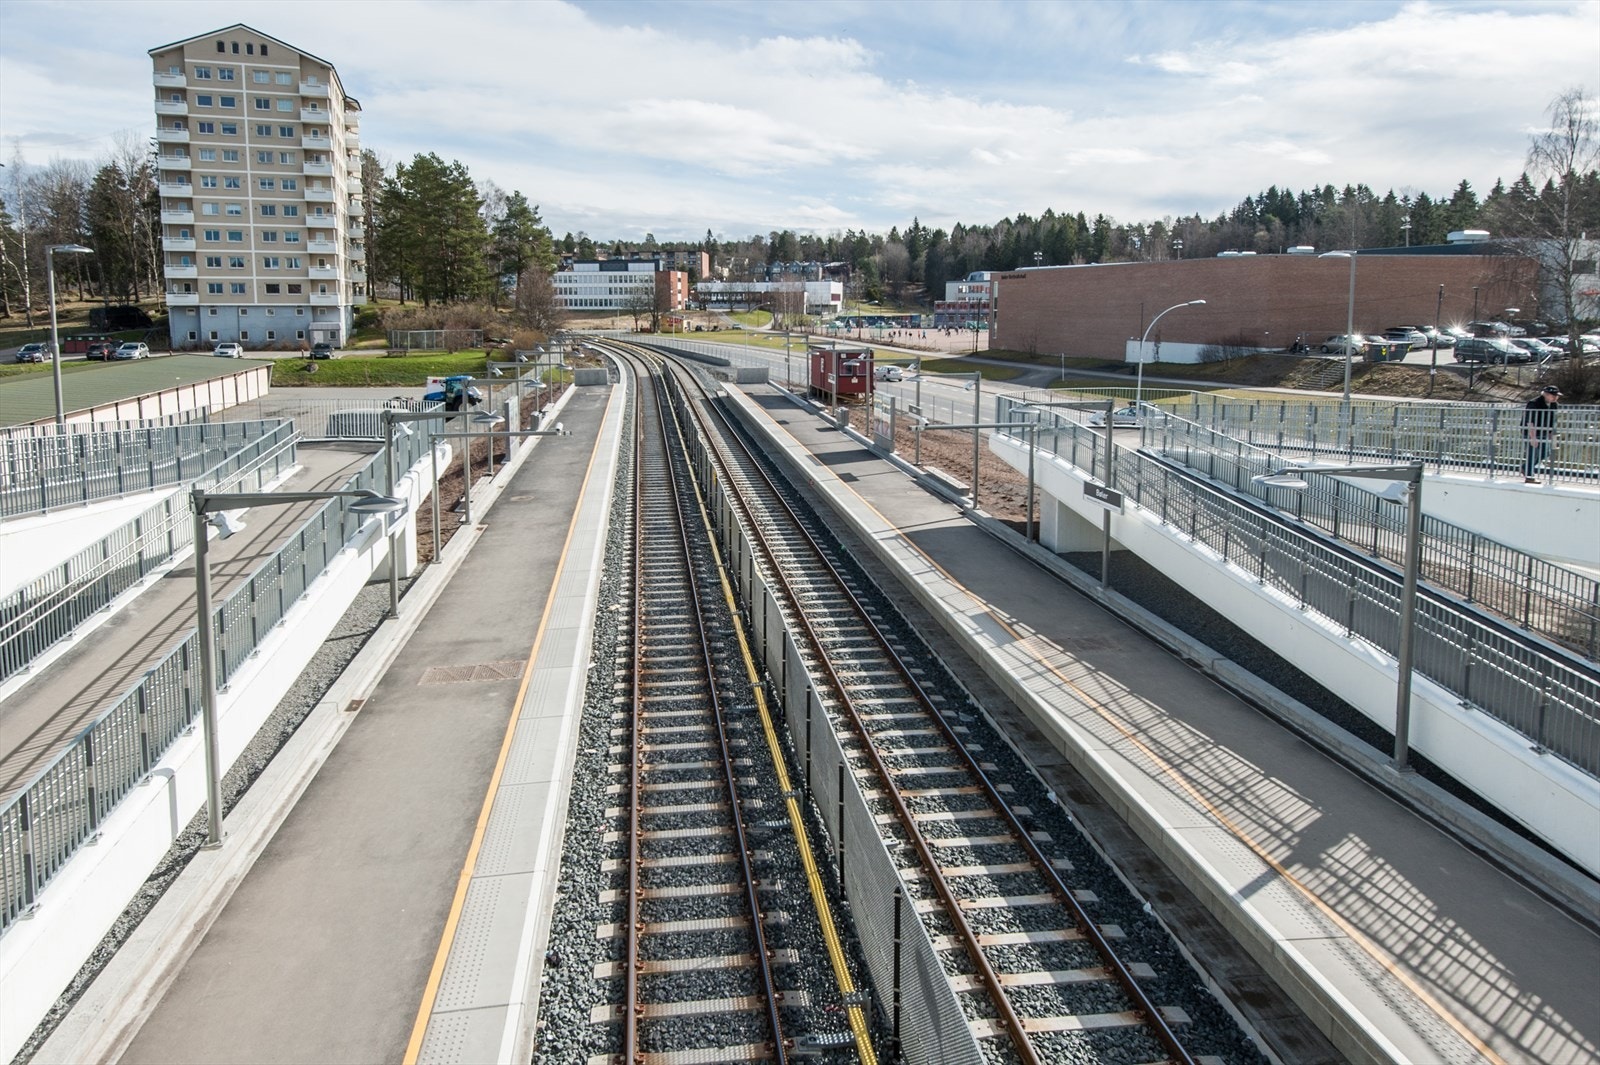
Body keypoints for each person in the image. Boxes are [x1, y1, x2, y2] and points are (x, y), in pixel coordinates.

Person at [1521, 385, 1560, 482]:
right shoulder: (1534, 403)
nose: (1555, 397)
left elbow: (1553, 420)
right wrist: (1533, 437)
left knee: (1545, 452)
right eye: (1553, 395)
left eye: (1556, 395)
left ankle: (1525, 467)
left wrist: (1551, 434)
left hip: (1543, 432)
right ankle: (1529, 476)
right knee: (1533, 453)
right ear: (1545, 394)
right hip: (1531, 432)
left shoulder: (1554, 404)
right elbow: (1529, 421)